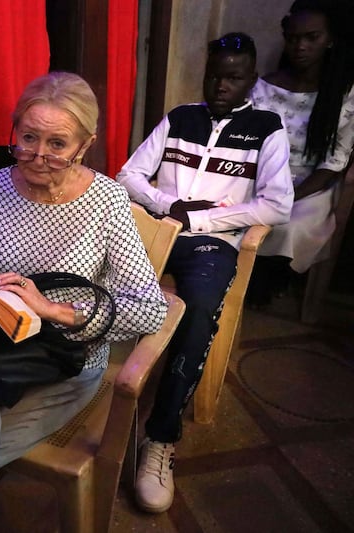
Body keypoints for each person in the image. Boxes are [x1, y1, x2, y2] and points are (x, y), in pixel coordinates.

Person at [0, 71, 168, 533]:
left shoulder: (106, 201)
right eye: (28, 138)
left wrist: (54, 311)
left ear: (85, 145)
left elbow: (151, 308)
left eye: (57, 144)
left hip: (64, 361)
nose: (37, 156)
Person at [116, 32, 294, 513]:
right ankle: (93, 400)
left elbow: (276, 204)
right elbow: (128, 176)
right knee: (97, 280)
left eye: (233, 77)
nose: (221, 86)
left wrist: (201, 220)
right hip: (157, 229)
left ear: (251, 79)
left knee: (196, 314)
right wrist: (167, 205)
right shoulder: (180, 118)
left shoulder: (266, 128)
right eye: (214, 75)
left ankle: (160, 436)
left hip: (211, 244)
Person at [247, 0, 354, 305]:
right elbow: (248, 140)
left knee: (289, 224)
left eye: (312, 38)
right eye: (293, 38)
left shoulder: (343, 94)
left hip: (311, 186)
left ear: (329, 40)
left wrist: (290, 194)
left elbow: (335, 161)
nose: (300, 46)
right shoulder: (266, 86)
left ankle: (268, 280)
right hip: (262, 176)